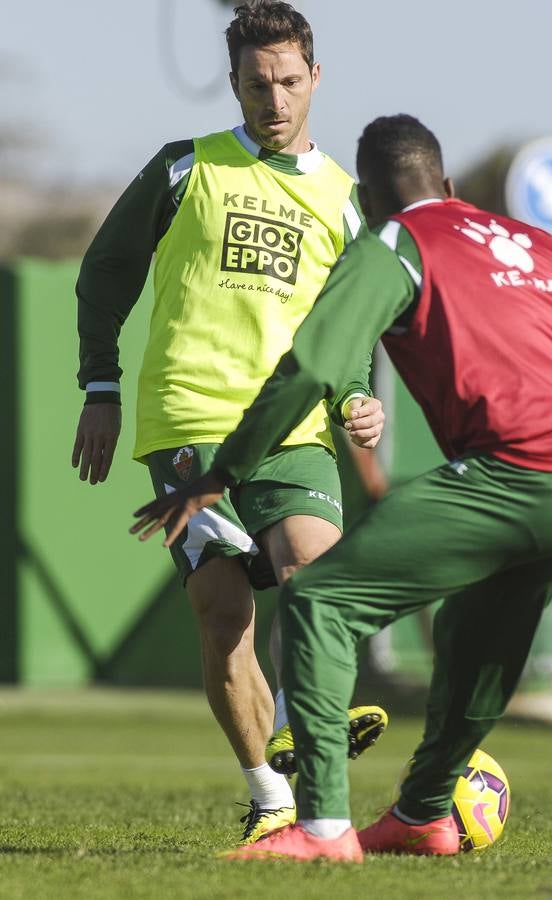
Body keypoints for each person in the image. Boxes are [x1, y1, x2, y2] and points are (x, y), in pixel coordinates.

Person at [130, 114, 552, 862]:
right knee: (478, 632)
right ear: (450, 185)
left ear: (370, 200)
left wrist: (223, 472)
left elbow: (312, 368)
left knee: (319, 600)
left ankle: (321, 831)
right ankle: (422, 814)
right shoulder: (541, 246)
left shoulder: (393, 242)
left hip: (519, 470)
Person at [72, 1, 388, 846]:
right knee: (223, 613)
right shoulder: (185, 169)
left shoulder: (348, 203)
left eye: (289, 82)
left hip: (292, 428)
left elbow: (348, 329)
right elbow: (104, 274)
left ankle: (295, 731)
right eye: (257, 85)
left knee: (314, 579)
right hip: (189, 422)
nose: (274, 101)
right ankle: (271, 796)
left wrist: (357, 393)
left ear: (315, 78)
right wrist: (99, 387)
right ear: (234, 84)